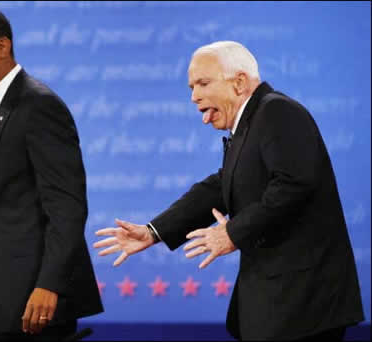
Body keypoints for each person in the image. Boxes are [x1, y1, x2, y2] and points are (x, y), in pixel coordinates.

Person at [94, 41, 364, 340]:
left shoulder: (277, 111)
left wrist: (232, 233)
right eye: (191, 87)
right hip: (278, 303)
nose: (194, 96)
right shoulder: (250, 122)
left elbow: (293, 184)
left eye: (203, 83)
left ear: (239, 82)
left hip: (303, 302)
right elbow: (220, 186)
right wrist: (154, 231)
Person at [0, 6, 103, 340]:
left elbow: (67, 207)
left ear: (2, 47)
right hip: (6, 297)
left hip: (36, 303)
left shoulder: (38, 105)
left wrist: (49, 284)